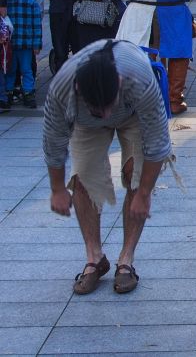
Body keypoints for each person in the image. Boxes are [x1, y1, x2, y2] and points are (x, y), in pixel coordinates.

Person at [42, 40, 174, 295]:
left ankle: (126, 260)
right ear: (78, 89)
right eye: (97, 108)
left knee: (135, 174)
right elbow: (53, 141)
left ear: (120, 84)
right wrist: (57, 189)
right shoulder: (62, 88)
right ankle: (95, 258)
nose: (104, 115)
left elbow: (157, 143)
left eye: (107, 106)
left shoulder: (140, 79)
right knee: (83, 177)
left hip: (132, 114)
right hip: (84, 123)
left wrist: (144, 193)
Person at [4, 0, 41, 108]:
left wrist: (37, 44)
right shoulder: (6, 1)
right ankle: (8, 92)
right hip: (10, 44)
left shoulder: (31, 2)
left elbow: (37, 25)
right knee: (10, 69)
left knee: (27, 69)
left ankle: (28, 93)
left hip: (26, 44)